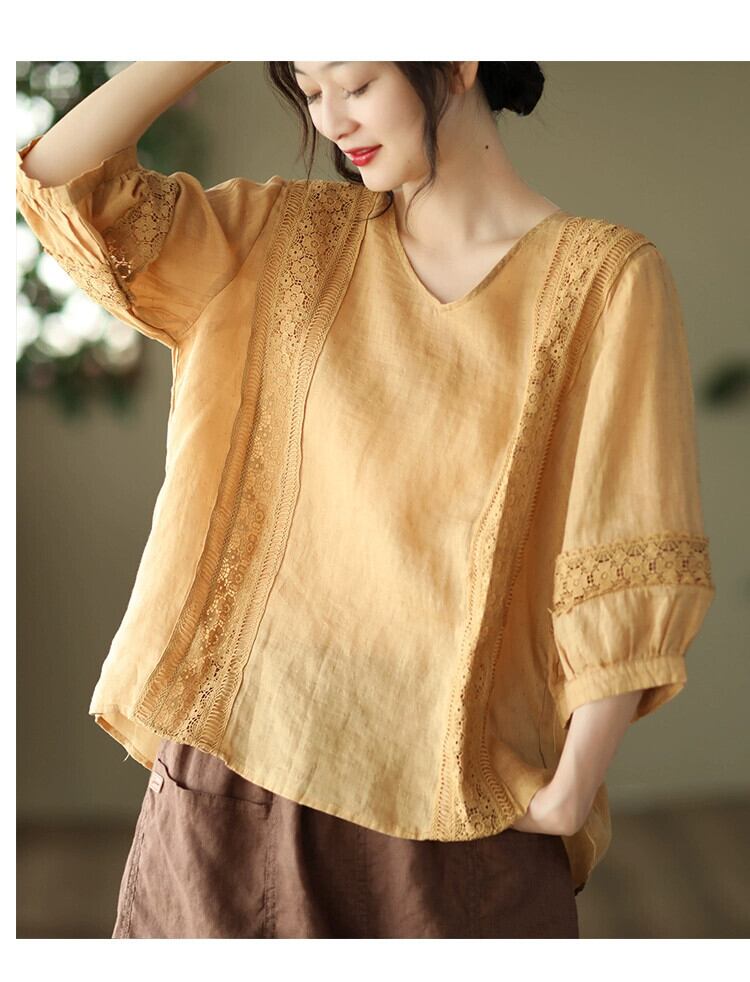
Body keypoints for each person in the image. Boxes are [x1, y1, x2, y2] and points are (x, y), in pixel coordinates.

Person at [16, 60, 715, 939]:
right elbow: (64, 182)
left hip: (463, 798)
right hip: (240, 776)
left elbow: (628, 543)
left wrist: (574, 786)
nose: (331, 119)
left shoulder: (606, 279)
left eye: (353, 82)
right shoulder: (278, 238)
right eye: (310, 91)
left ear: (456, 60)